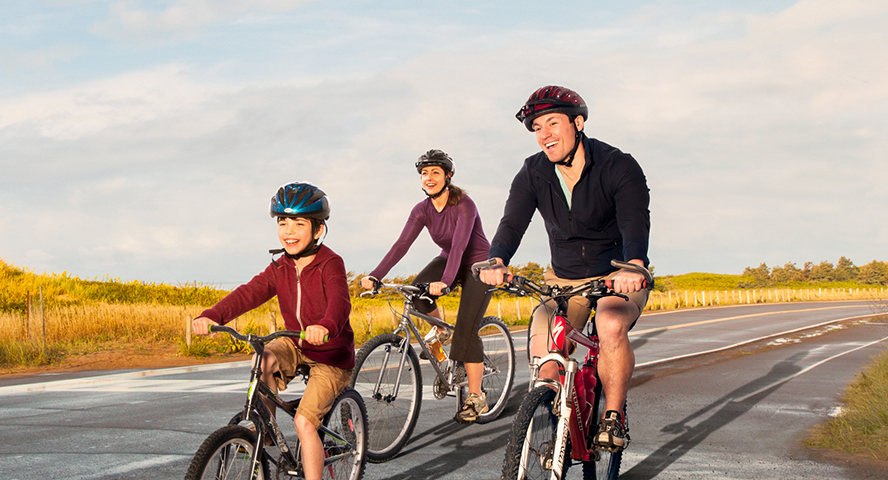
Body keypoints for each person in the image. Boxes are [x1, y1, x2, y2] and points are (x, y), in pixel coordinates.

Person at [476, 85, 650, 452]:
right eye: (537, 127)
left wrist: (634, 265)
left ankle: (613, 417)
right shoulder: (534, 172)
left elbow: (635, 222)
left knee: (610, 324)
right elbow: (512, 223)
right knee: (546, 362)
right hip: (562, 280)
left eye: (552, 123)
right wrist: (497, 259)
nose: (544, 134)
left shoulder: (618, 165)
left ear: (578, 122)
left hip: (614, 275)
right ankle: (559, 424)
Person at [190, 182, 354, 480]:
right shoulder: (280, 267)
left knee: (305, 423)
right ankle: (263, 432)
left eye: (299, 223)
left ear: (317, 230)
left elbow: (340, 304)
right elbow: (247, 293)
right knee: (262, 358)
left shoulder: (331, 263)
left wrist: (326, 327)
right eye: (283, 222)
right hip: (297, 344)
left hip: (332, 354)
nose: (288, 230)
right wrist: (213, 315)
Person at [358, 149, 494, 423]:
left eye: (435, 172)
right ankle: (442, 330)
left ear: (448, 175)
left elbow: (459, 246)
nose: (428, 178)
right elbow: (401, 245)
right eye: (424, 173)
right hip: (448, 259)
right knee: (418, 293)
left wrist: (445, 282)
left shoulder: (464, 204)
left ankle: (477, 396)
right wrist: (375, 275)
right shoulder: (421, 210)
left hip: (479, 264)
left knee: (467, 331)